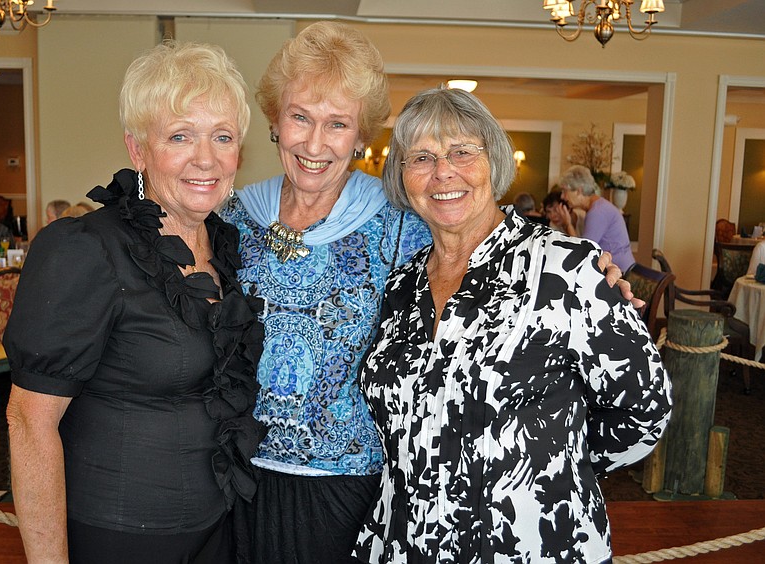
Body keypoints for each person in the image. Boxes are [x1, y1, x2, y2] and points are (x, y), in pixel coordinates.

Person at [219, 21, 630, 564]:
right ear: (274, 119)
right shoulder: (231, 218)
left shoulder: (399, 221)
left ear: (362, 134)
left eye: (337, 123)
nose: (315, 143)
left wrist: (587, 275)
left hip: (351, 491)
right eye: (300, 117)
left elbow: (481, 238)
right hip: (241, 481)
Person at [353, 87, 672, 564]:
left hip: (531, 546)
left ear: (493, 161)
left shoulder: (566, 269)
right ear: (402, 176)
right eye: (421, 157)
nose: (443, 172)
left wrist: (559, 468)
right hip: (405, 544)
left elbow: (647, 406)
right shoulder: (400, 286)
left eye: (462, 151)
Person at [4, 41, 265, 564]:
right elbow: (29, 423)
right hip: (120, 533)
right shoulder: (84, 248)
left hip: (216, 526)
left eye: (222, 136)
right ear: (137, 148)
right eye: (179, 136)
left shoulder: (228, 247)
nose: (206, 158)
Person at [556, 164, 636, 273]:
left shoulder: (598, 212)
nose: (562, 196)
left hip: (619, 274)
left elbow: (583, 252)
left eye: (565, 191)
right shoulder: (598, 207)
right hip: (615, 269)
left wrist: (567, 224)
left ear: (579, 191)